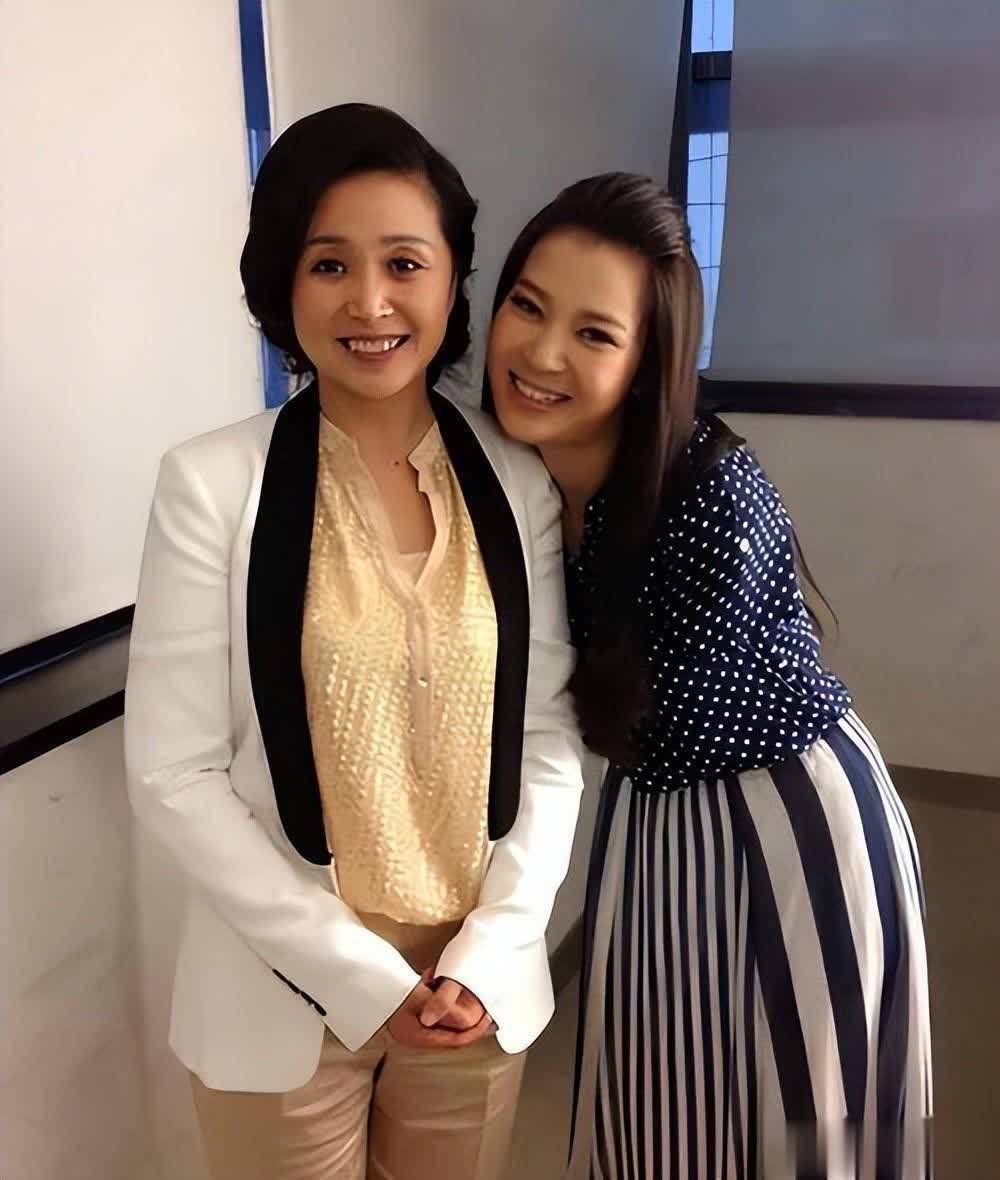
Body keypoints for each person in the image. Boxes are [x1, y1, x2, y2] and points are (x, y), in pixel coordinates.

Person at [124, 103, 584, 1180]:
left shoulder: (517, 482)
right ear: (282, 284)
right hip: (280, 994)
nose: (370, 302)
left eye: (404, 264)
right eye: (329, 264)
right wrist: (360, 977)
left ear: (452, 279)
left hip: (473, 994)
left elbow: (547, 734)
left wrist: (495, 946)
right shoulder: (210, 485)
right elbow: (174, 770)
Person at [484, 172, 932, 1178]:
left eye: (594, 334)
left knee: (808, 1113)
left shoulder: (710, 492)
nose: (541, 355)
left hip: (789, 818)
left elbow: (653, 723)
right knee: (661, 1105)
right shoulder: (512, 475)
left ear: (647, 363)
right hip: (655, 815)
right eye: (527, 306)